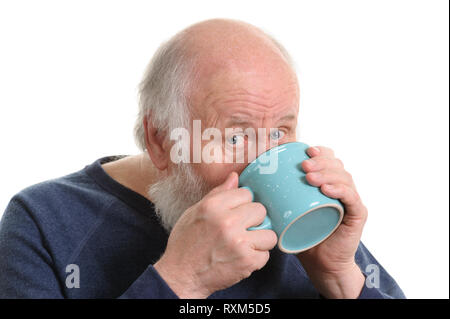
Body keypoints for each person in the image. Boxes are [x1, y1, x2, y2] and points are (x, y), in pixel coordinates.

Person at [0, 18, 405, 299]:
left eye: (280, 131)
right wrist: (180, 281)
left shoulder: (305, 216)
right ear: (161, 140)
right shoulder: (42, 221)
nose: (268, 160)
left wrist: (339, 276)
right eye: (236, 136)